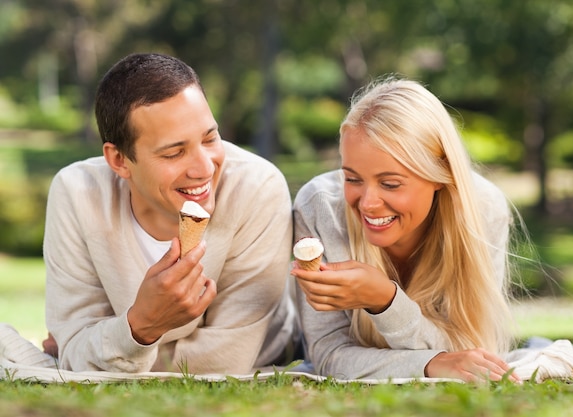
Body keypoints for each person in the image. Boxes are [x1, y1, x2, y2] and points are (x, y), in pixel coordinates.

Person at [42, 52, 297, 374]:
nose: (204, 168)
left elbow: (228, 361)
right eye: (174, 153)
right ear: (119, 160)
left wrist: (107, 350)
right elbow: (74, 346)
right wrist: (141, 325)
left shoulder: (256, 187)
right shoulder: (77, 194)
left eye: (210, 138)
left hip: (273, 353)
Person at [291, 76, 520, 383]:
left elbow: (473, 352)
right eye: (353, 179)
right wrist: (432, 363)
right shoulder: (321, 208)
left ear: (441, 173)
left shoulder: (482, 209)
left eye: (390, 184)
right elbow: (328, 356)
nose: (368, 203)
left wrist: (385, 301)